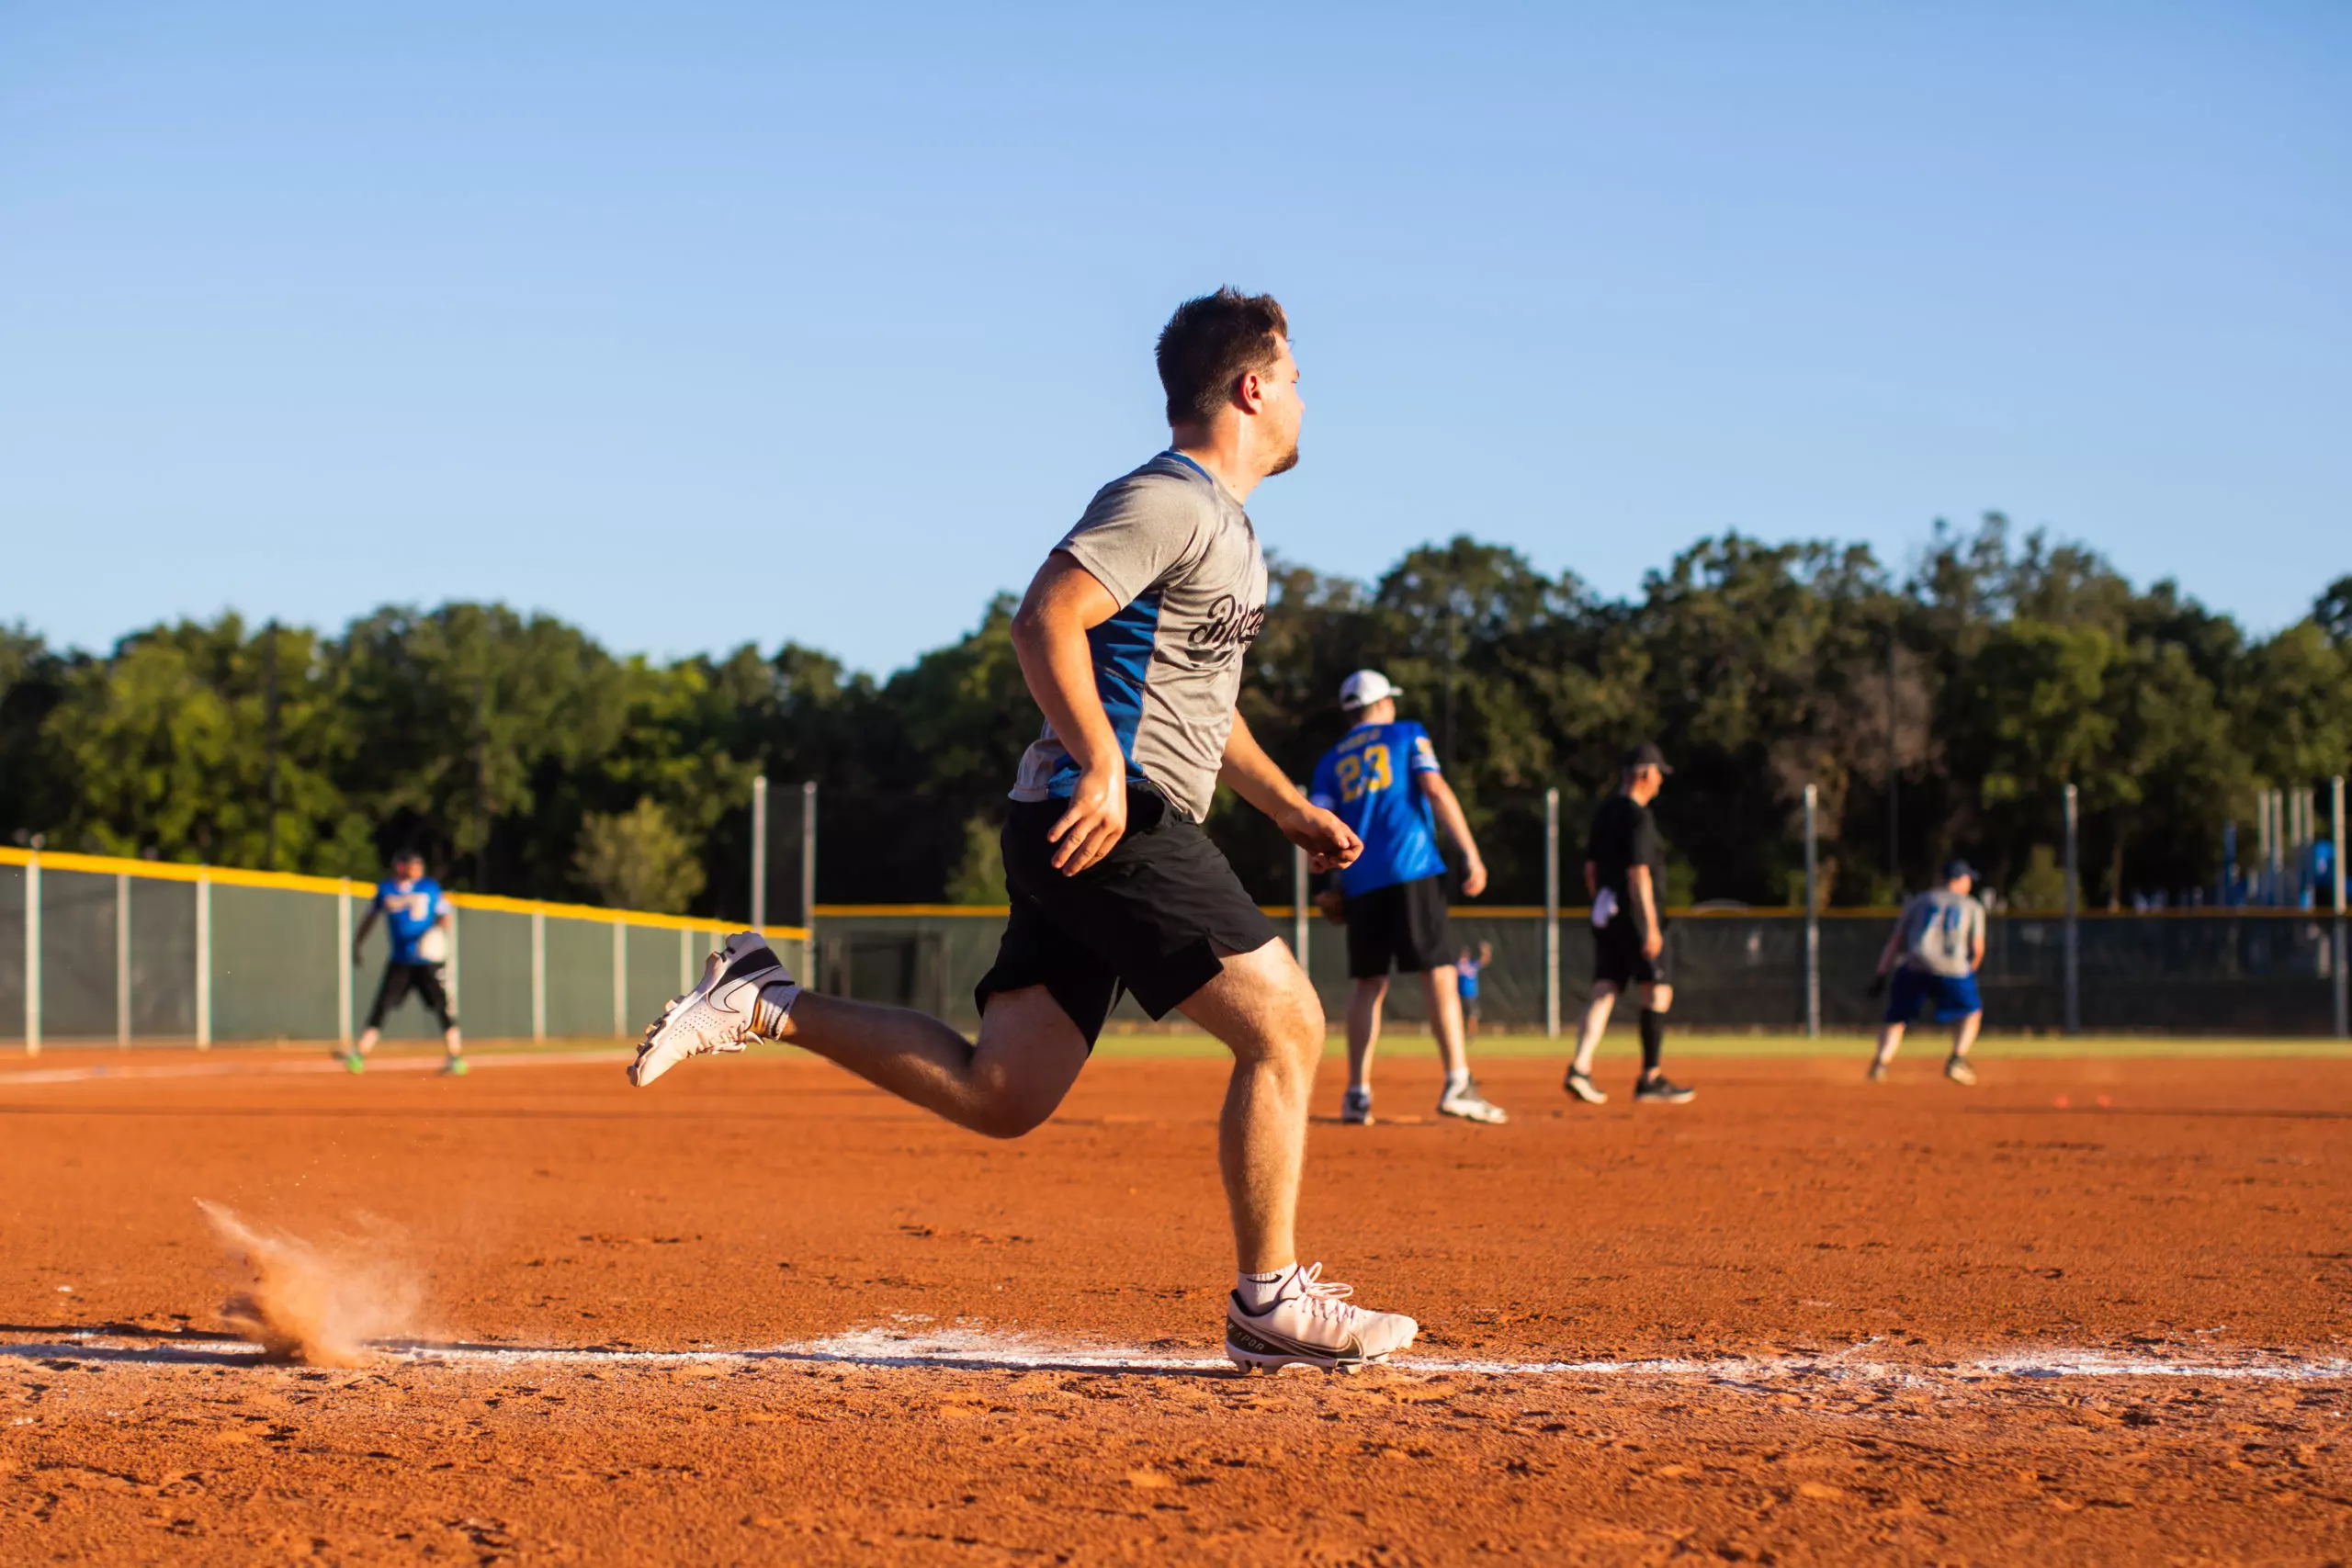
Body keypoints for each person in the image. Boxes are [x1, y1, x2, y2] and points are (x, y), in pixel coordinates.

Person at [627, 289, 1419, 1373]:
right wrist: (1099, 759)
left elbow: (1200, 701)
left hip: (1094, 817)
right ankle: (1268, 1302)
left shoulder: (1225, 530)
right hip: (1112, 814)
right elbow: (1045, 616)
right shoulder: (1168, 500)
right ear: (1249, 388)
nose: (1300, 398)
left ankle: (766, 998)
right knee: (1285, 1027)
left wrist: (1284, 808)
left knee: (1002, 1091)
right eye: (1292, 377)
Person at [1307, 671, 1504, 1126]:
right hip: (1413, 869)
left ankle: (1357, 1094)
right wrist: (1471, 853)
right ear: (1381, 704)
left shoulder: (1329, 761)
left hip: (1357, 879)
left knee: (1368, 984)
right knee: (1438, 972)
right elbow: (1434, 789)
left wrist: (1323, 884)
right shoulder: (1406, 733)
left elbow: (1318, 822)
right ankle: (1458, 1081)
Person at [1563, 743, 1693, 1105]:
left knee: (1605, 988)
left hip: (1606, 908)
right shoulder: (1638, 817)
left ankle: (1580, 1066)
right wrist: (1650, 926)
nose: (1660, 784)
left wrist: (1602, 906)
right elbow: (1639, 872)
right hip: (1634, 911)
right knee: (1657, 989)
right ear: (1644, 774)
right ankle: (1650, 1077)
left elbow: (1591, 870)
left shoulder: (1604, 813)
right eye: (1658, 776)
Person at [345, 849, 466, 1076]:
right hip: (400, 960)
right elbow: (370, 918)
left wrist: (433, 933)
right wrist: (358, 943)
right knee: (382, 1005)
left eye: (419, 864)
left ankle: (455, 1056)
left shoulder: (429, 888)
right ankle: (360, 1053)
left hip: (427, 960)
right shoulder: (386, 890)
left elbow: (445, 916)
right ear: (400, 866)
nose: (417, 868)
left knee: (442, 1006)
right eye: (412, 864)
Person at [1868, 859, 1987, 1085]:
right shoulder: (1971, 905)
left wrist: (1881, 973)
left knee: (1896, 1018)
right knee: (1971, 1013)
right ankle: (1957, 1059)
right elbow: (1977, 948)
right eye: (1968, 879)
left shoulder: (1919, 901)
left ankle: (1880, 1064)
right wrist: (1969, 972)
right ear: (1961, 880)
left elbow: (1895, 941)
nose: (1969, 883)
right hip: (1954, 969)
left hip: (1915, 964)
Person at [1456, 942, 1492, 1039]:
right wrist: (1486, 951)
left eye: (1465, 953)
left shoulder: (1469, 964)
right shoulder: (1460, 965)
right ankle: (1467, 1034)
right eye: (1463, 953)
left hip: (1469, 995)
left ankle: (1469, 1034)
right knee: (1467, 1016)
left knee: (1471, 1016)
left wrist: (1486, 951)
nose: (1464, 955)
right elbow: (1485, 960)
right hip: (1464, 995)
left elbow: (1485, 960)